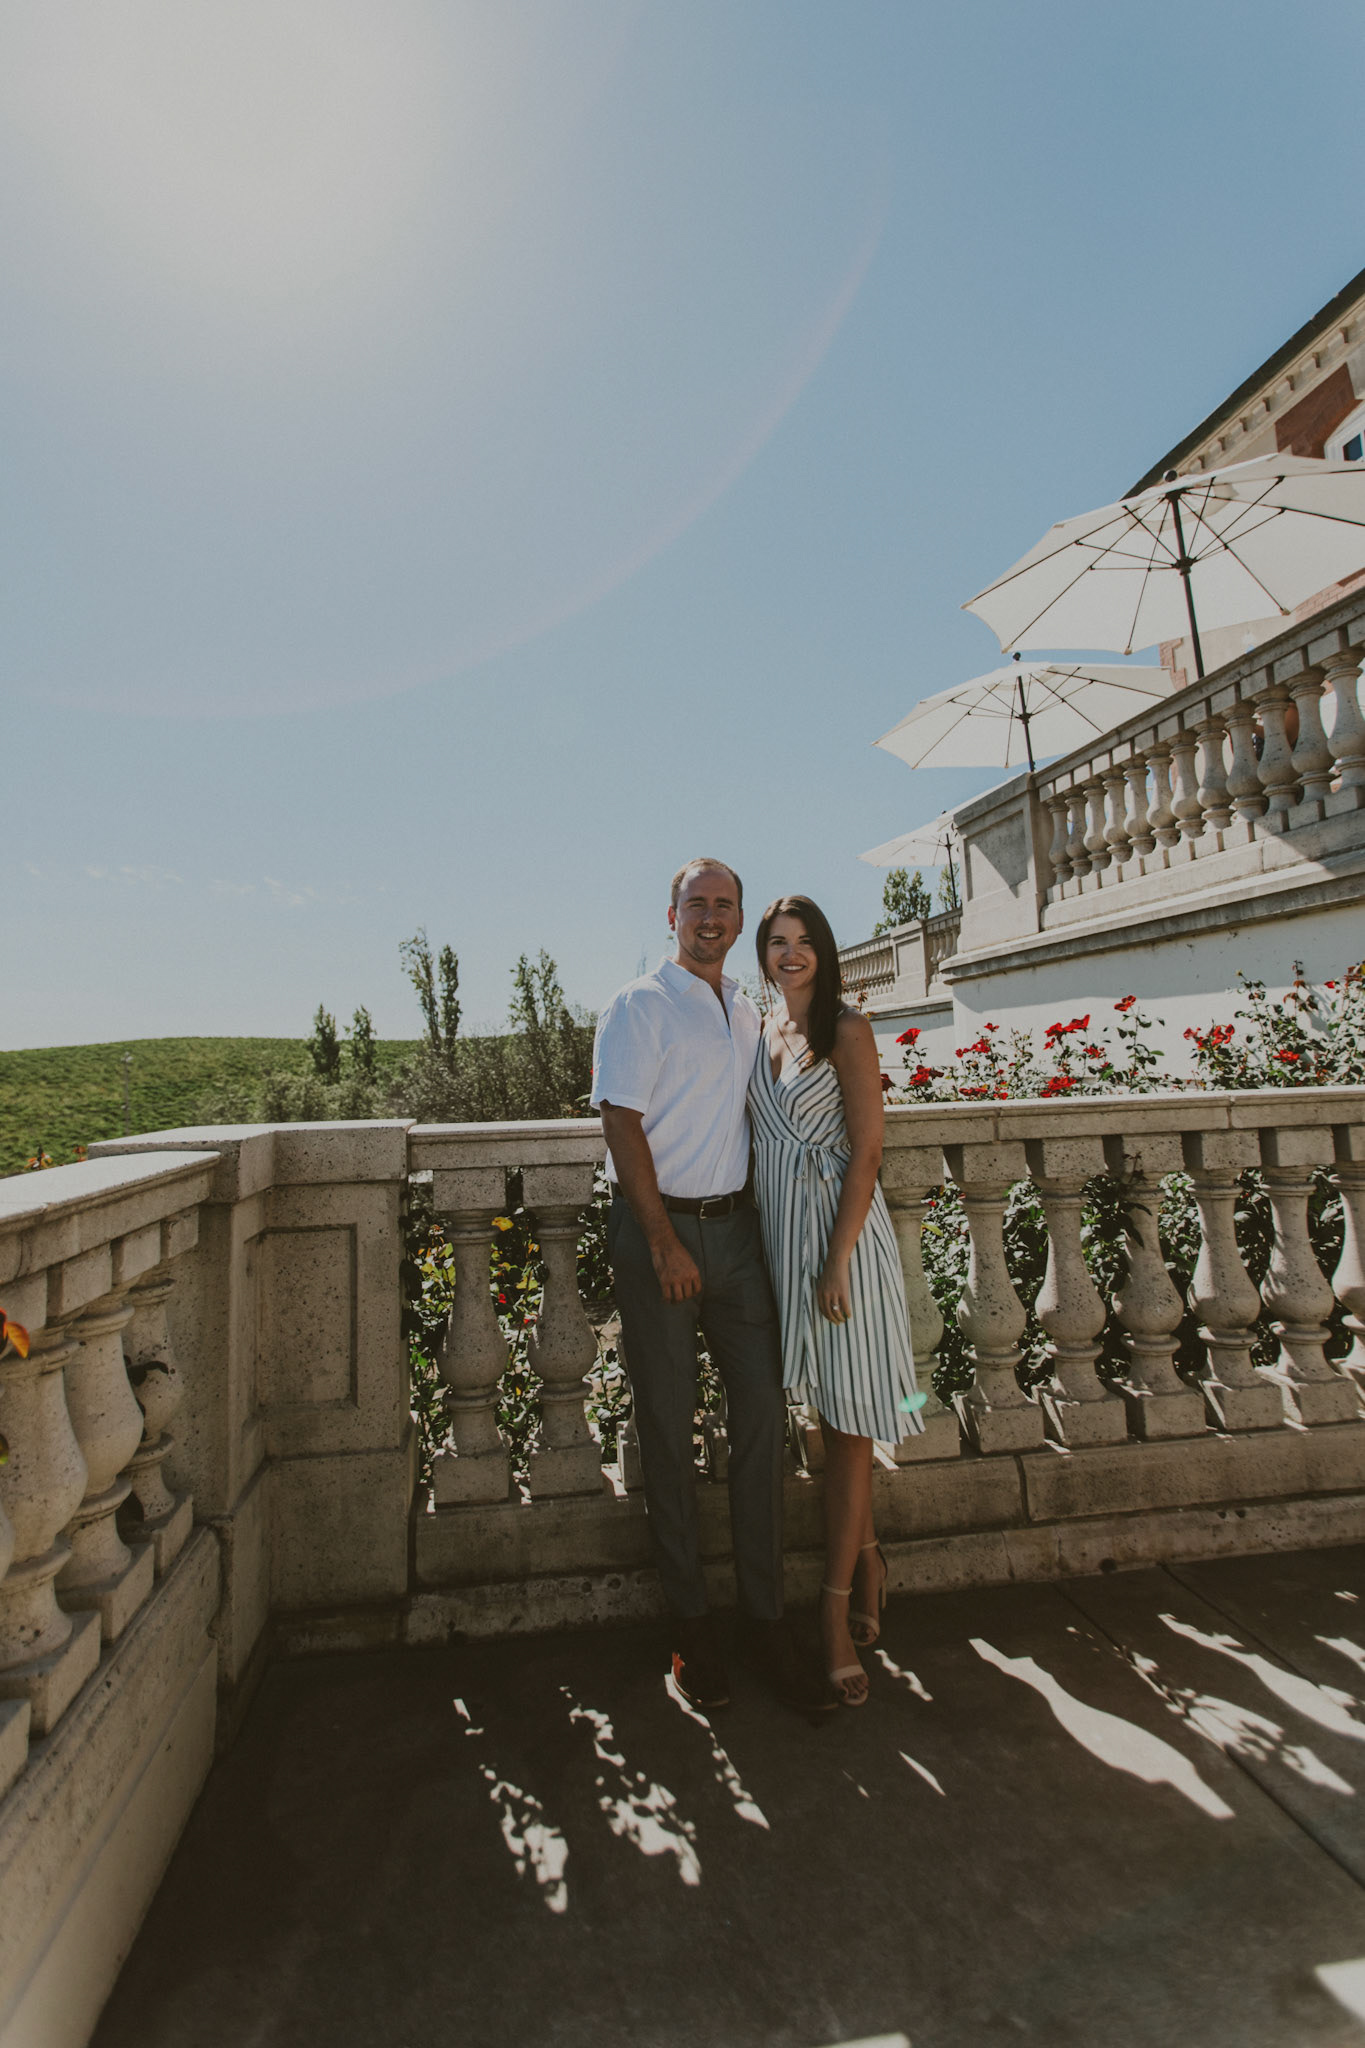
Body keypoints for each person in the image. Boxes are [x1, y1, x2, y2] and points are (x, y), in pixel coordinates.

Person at [592, 858, 834, 1717]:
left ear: (737, 921)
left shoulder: (744, 1009)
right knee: (666, 1425)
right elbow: (619, 1122)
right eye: (696, 904)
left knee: (762, 1417)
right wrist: (661, 1241)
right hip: (661, 1236)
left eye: (723, 905)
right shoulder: (638, 1004)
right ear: (671, 915)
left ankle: (765, 1620)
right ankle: (692, 1627)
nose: (710, 916)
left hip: (736, 1238)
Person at [749, 893, 925, 1707]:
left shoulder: (847, 1030)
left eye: (803, 942)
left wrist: (836, 1261)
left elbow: (868, 1152)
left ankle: (831, 1612)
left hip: (841, 1251)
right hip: (783, 1249)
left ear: (824, 951)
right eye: (776, 943)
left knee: (850, 1432)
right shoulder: (761, 1031)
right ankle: (871, 1556)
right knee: (825, 1426)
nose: (790, 954)